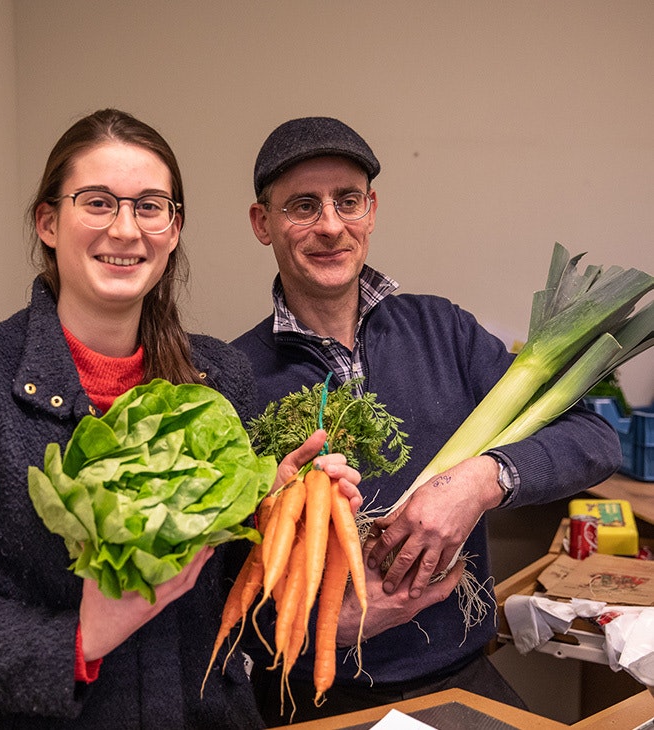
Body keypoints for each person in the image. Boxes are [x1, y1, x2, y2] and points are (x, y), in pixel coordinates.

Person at [0, 109, 362, 729]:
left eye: (151, 206)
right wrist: (81, 637)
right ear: (49, 222)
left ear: (174, 228)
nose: (127, 230)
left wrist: (273, 512)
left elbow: (225, 589)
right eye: (98, 203)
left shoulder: (222, 376)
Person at [232, 116, 622, 726]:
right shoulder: (235, 377)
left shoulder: (444, 330)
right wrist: (321, 627)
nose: (331, 225)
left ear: (372, 209)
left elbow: (595, 440)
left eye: (348, 201)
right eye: (303, 206)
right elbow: (216, 580)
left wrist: (480, 480)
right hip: (310, 692)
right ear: (263, 224)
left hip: (460, 677)